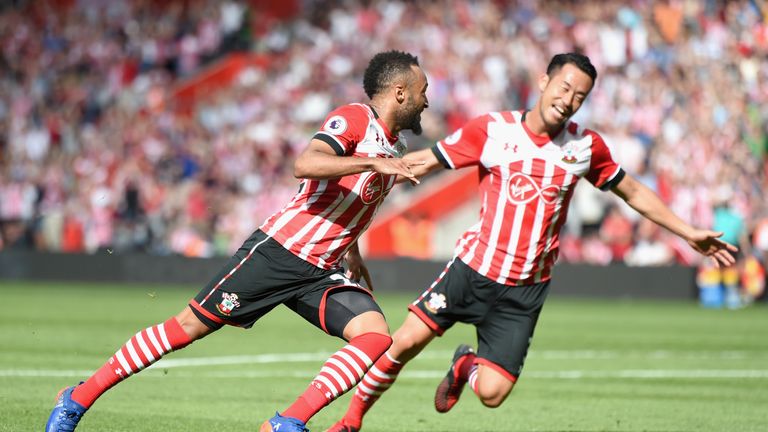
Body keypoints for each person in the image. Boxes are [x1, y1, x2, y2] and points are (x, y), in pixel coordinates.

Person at [326, 52, 737, 432]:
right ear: (544, 82)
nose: (569, 100)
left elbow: (632, 191)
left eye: (580, 96)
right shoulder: (493, 130)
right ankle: (351, 421)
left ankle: (465, 365)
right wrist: (363, 169)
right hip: (473, 270)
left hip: (525, 290)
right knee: (403, 343)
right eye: (564, 88)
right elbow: (424, 161)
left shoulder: (585, 147)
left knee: (492, 393)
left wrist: (688, 232)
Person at [46, 50, 430, 432]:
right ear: (399, 92)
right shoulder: (354, 119)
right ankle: (76, 400)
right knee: (187, 328)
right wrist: (370, 162)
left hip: (323, 270)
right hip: (280, 251)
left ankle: (287, 422)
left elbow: (350, 202)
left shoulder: (395, 148)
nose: (426, 100)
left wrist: (354, 251)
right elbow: (306, 164)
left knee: (375, 335)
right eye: (422, 90)